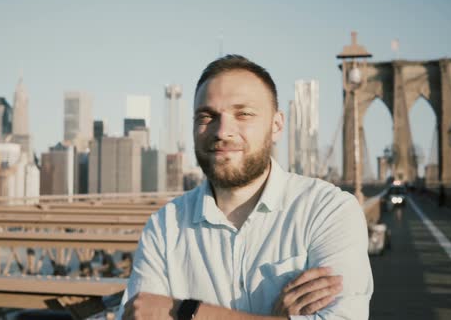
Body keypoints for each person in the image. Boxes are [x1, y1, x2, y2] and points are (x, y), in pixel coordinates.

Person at [118, 55, 373, 319]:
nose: (222, 131)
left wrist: (185, 312)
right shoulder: (164, 226)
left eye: (243, 114)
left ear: (276, 126)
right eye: (207, 116)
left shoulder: (328, 211)